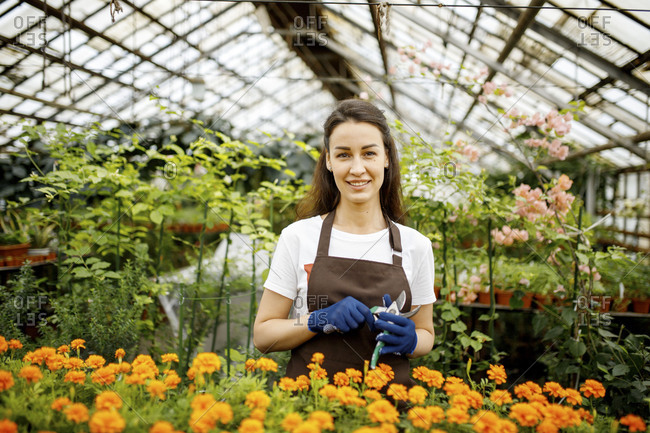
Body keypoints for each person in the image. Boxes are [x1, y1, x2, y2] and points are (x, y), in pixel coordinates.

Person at [253, 99, 435, 386]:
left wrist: (411, 340)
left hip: (387, 413)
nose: (357, 168)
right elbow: (263, 336)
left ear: (386, 158)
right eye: (344, 155)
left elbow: (426, 334)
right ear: (328, 161)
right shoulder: (298, 237)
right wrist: (316, 319)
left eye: (369, 153)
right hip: (310, 407)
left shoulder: (416, 245)